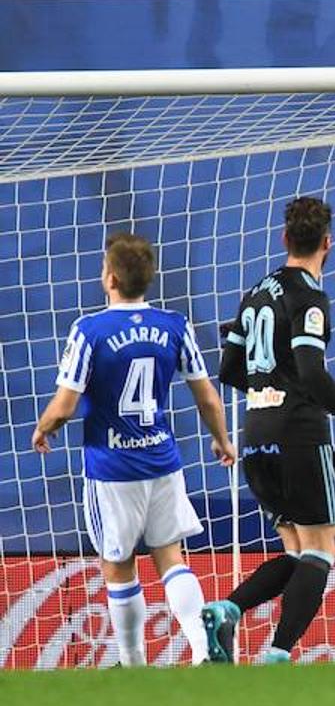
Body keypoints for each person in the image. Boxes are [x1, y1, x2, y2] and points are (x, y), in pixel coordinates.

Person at [201, 197, 335, 664]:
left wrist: (266, 387)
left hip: (256, 432)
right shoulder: (309, 297)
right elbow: (310, 372)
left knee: (296, 551)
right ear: (328, 243)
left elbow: (228, 369)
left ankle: (229, 609)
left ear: (285, 238)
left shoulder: (255, 293)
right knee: (322, 551)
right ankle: (278, 655)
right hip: (298, 435)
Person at [32, 233, 234, 667]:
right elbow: (207, 397)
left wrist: (44, 428)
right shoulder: (174, 325)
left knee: (117, 564)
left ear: (110, 278)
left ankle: (133, 662)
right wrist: (221, 438)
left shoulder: (89, 331)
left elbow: (65, 405)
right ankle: (203, 648)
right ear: (149, 279)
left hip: (111, 469)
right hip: (162, 461)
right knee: (170, 557)